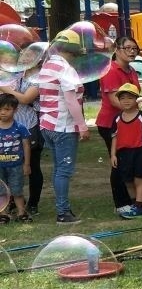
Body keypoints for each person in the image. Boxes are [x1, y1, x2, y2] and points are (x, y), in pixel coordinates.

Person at [39, 29, 90, 224]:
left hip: (47, 125)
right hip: (63, 126)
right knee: (64, 170)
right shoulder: (66, 69)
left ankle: (63, 209)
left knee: (58, 168)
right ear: (74, 50)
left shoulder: (47, 65)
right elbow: (70, 101)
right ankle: (63, 213)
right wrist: (82, 126)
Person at [96, 35, 142, 213]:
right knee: (118, 163)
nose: (132, 52)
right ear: (117, 50)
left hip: (127, 122)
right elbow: (116, 101)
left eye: (134, 49)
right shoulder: (111, 70)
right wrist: (140, 104)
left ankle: (132, 201)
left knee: (128, 162)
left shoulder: (131, 71)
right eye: (127, 48)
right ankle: (121, 204)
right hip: (110, 124)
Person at [111, 84, 142, 219]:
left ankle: (139, 207)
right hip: (123, 154)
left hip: (139, 152)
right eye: (123, 98)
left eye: (130, 98)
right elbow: (114, 136)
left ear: (137, 99)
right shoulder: (117, 118)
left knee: (139, 180)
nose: (126, 101)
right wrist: (113, 154)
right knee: (128, 181)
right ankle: (135, 204)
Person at [0, 93, 32, 221]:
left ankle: (21, 213)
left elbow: (26, 146)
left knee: (17, 190)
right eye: (0, 109)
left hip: (16, 166)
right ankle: (3, 214)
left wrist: (26, 164)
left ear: (15, 110)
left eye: (7, 109)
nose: (3, 112)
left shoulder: (20, 128)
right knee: (1, 191)